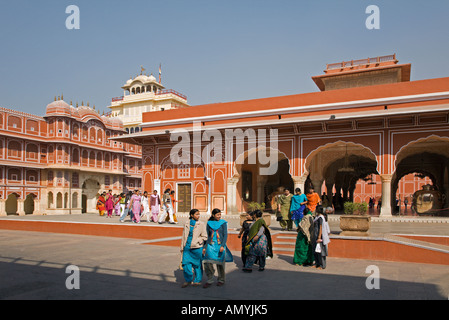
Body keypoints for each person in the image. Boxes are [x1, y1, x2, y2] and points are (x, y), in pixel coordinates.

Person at [202, 208, 233, 288]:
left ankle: (221, 279)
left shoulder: (223, 223)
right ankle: (210, 278)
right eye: (218, 215)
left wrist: (222, 245)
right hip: (210, 245)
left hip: (220, 245)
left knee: (220, 264)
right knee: (207, 262)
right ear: (213, 215)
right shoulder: (209, 223)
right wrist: (205, 247)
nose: (219, 216)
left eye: (220, 214)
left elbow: (225, 235)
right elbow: (208, 235)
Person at [180, 209, 208, 288]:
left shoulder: (201, 224)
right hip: (187, 247)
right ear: (191, 215)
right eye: (196, 214)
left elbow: (205, 236)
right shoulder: (186, 223)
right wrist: (182, 247)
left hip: (197, 247)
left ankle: (197, 280)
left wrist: (198, 241)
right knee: (185, 264)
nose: (198, 216)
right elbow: (183, 236)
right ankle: (188, 280)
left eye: (199, 214)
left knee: (197, 265)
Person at [313, 205, 331, 269]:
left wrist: (319, 237)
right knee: (316, 251)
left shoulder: (321, 218)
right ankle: (317, 263)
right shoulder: (317, 217)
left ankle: (322, 265)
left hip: (320, 236)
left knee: (321, 251)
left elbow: (321, 228)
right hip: (315, 235)